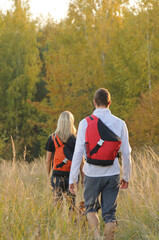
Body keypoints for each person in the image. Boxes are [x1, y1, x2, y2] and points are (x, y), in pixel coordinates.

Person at [69, 88, 131, 240]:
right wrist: (127, 176)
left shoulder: (85, 123)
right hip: (113, 173)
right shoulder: (120, 123)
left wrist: (73, 179)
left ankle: (97, 237)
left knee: (90, 209)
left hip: (92, 173)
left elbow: (77, 153)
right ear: (109, 103)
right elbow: (127, 153)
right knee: (110, 214)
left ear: (94, 102)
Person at [45, 111, 77, 207]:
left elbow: (48, 160)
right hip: (71, 176)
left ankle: (58, 222)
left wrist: (48, 175)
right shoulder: (75, 138)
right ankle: (71, 222)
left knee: (57, 205)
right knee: (72, 205)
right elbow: (81, 161)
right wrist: (83, 178)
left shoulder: (52, 138)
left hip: (57, 175)